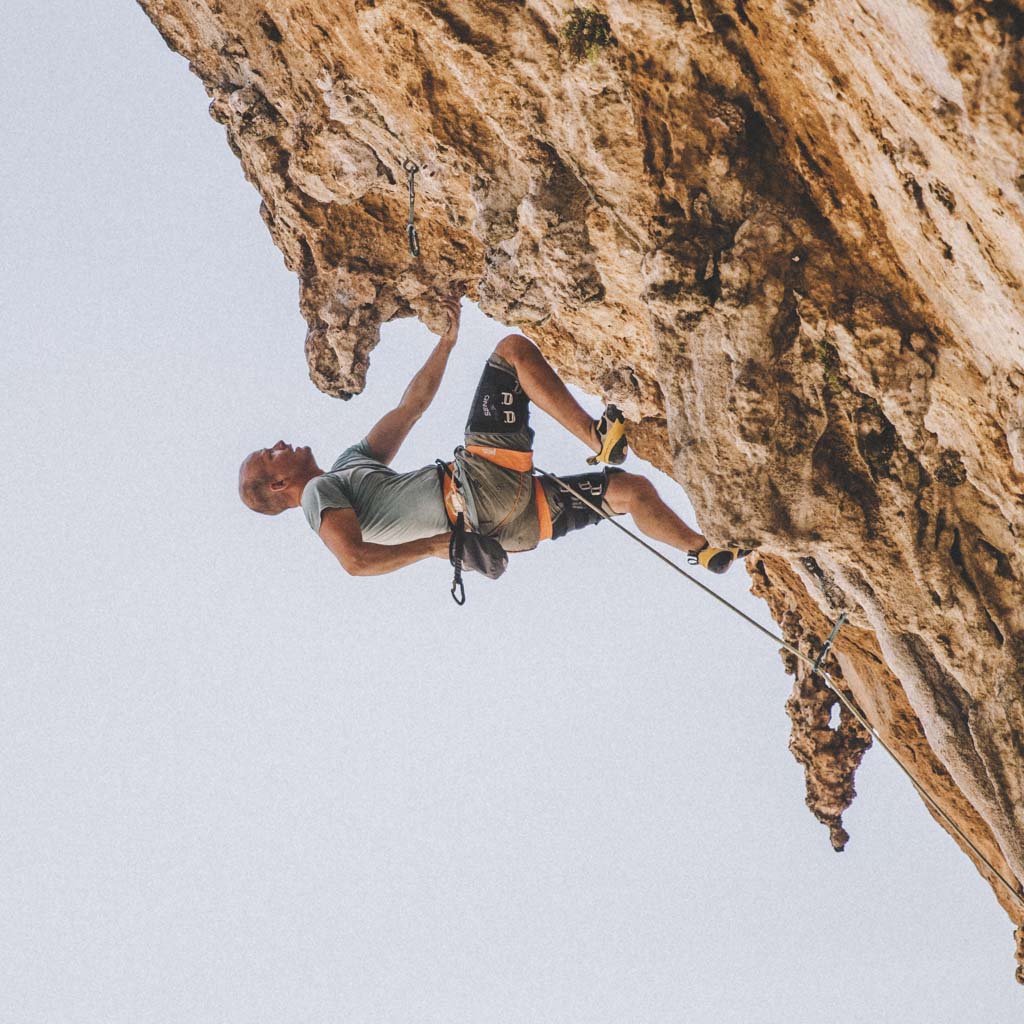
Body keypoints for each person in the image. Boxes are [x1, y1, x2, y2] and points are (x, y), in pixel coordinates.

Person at [238, 294, 749, 578]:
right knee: (511, 352)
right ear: (280, 486)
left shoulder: (350, 466)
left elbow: (410, 407)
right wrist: (437, 546)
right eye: (271, 455)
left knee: (631, 492)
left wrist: (447, 342)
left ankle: (704, 550)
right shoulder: (316, 494)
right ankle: (599, 437)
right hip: (476, 491)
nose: (281, 443)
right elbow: (353, 560)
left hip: (512, 529)